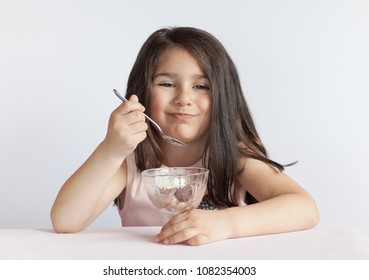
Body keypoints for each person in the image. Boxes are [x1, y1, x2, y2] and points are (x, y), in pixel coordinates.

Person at [50, 26, 319, 246]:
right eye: (167, 84)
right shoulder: (129, 160)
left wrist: (226, 223)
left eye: (201, 86)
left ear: (223, 97)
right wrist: (110, 149)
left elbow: (304, 208)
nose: (184, 99)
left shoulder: (232, 156)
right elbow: (65, 221)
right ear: (142, 92)